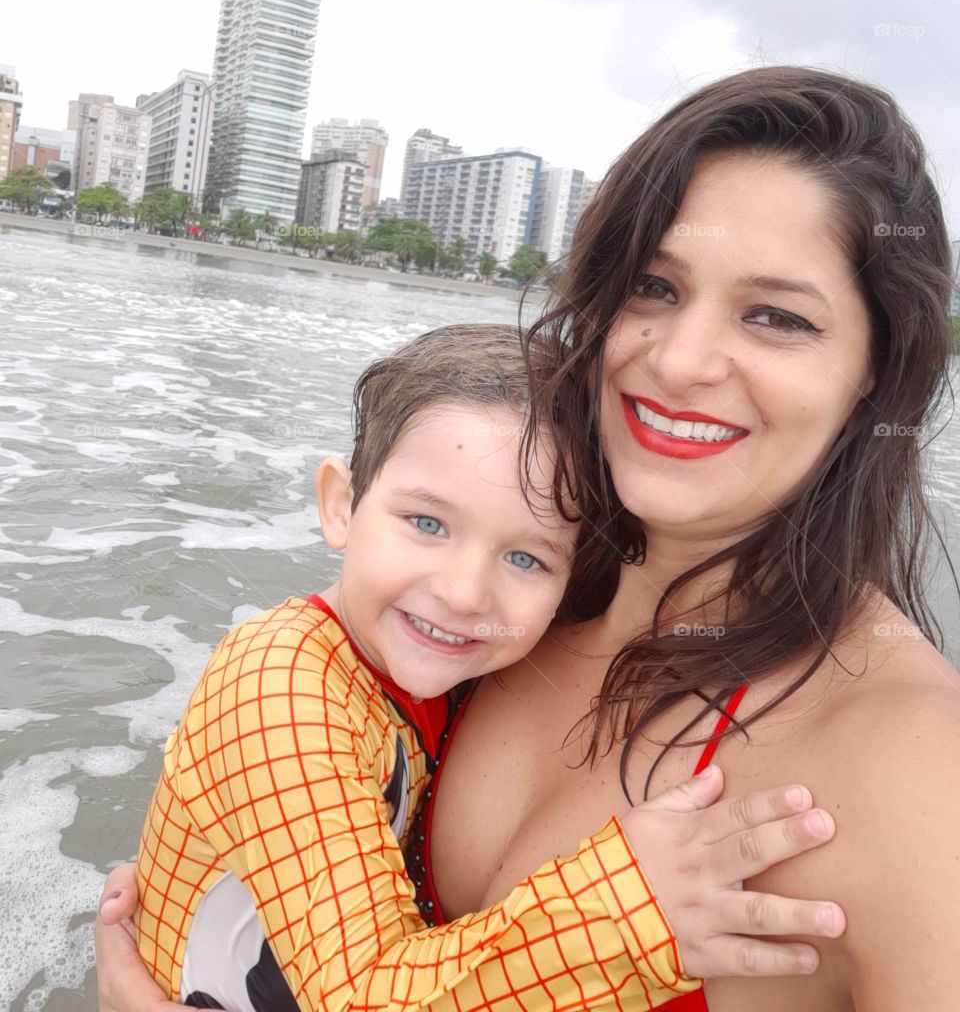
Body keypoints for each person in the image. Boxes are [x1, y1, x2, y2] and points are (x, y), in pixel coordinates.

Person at [97, 64, 958, 1011]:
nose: (678, 360)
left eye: (776, 316)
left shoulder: (916, 767)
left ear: (879, 371)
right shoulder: (507, 601)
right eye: (654, 287)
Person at [125, 321, 843, 1012]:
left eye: (525, 558)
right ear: (340, 504)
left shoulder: (448, 678)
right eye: (427, 523)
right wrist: (628, 909)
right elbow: (360, 997)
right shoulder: (276, 688)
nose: (464, 593)